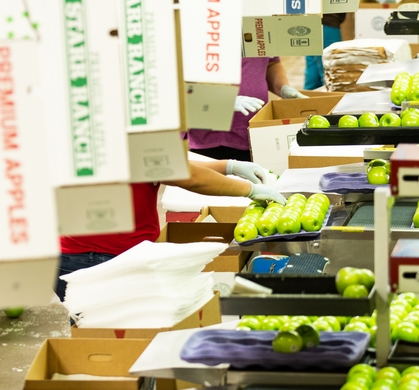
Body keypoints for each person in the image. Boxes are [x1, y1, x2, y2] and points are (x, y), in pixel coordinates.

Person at [55, 159, 285, 301]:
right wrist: (248, 190)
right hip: (95, 258)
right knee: (114, 341)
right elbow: (187, 176)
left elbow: (169, 163)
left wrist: (227, 166)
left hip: (106, 253)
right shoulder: (128, 126)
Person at [188, 57, 306, 162]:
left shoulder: (262, 38)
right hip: (210, 136)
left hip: (253, 133)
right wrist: (222, 100)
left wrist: (283, 87)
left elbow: (271, 63)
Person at [304, 0, 396, 90]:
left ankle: (306, 100)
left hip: (312, 19)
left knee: (313, 74)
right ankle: (324, 100)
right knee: (331, 72)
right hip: (325, 22)